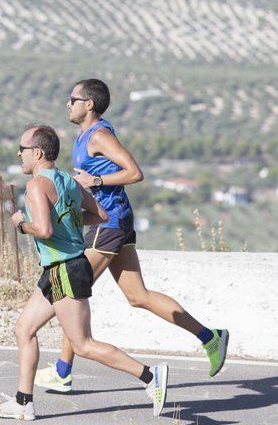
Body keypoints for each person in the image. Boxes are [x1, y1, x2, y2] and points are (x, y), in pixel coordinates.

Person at [34, 79, 229, 394]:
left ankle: (63, 371)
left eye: (72, 98)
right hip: (115, 221)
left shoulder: (99, 135)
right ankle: (210, 337)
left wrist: (95, 180)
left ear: (89, 104)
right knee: (138, 296)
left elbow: (134, 172)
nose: (67, 103)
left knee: (72, 295)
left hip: (107, 225)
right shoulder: (86, 136)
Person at [0, 125, 169, 421]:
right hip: (60, 268)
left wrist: (20, 223)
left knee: (83, 344)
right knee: (24, 329)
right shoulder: (68, 182)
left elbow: (43, 230)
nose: (19, 153)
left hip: (65, 270)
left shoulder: (36, 186)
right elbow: (100, 215)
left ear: (38, 153)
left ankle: (150, 376)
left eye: (22, 148)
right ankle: (23, 403)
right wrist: (66, 222)